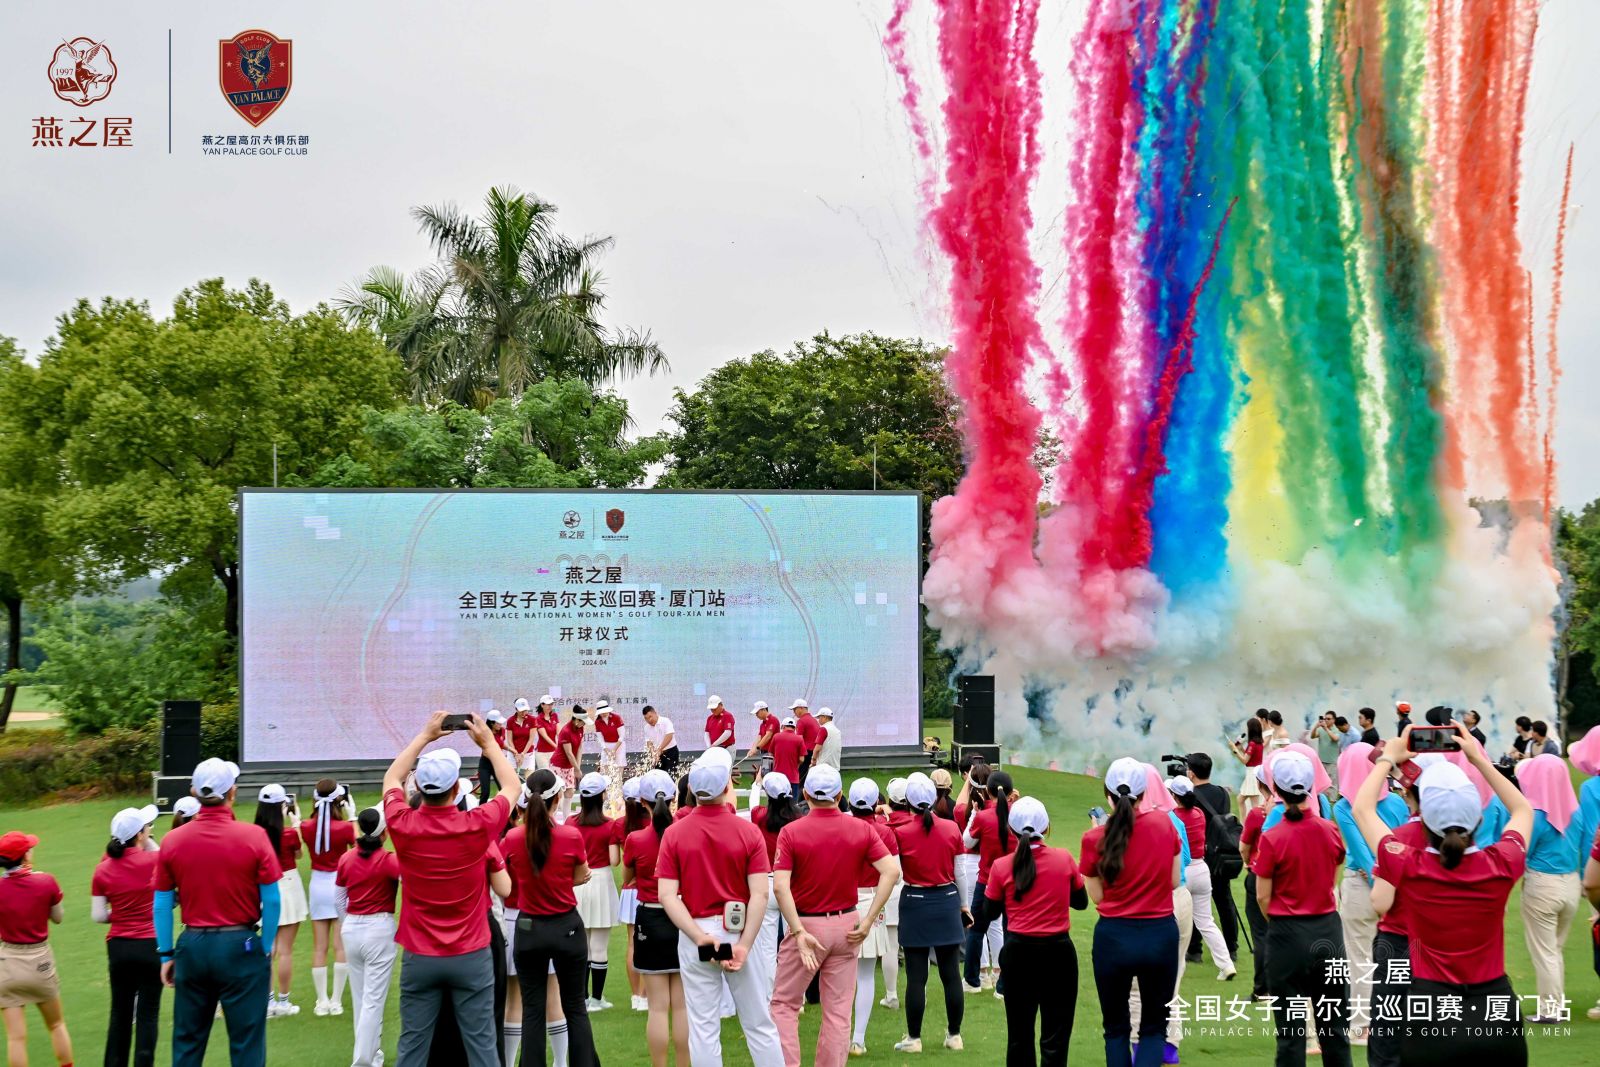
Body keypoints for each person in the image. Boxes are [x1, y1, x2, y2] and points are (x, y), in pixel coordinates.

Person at [1353, 723, 1534, 1064]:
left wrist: (1387, 759)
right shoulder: (1501, 862)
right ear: (1477, 819)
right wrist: (1478, 759)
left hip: (1431, 1013)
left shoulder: (1409, 864)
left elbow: (1362, 809)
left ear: (1424, 821)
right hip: (1495, 1011)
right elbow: (1523, 809)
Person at [383, 712, 520, 1067]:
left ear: (419, 789)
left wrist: (425, 736)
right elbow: (512, 787)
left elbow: (392, 778)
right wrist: (489, 744)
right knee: (483, 1049)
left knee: (412, 1048)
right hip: (471, 953)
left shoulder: (403, 824)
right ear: (457, 790)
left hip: (420, 954)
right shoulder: (476, 825)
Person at [154, 758, 282, 1067]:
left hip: (193, 946)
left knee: (187, 1044)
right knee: (247, 1044)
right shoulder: (254, 836)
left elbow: (161, 903)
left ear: (194, 792)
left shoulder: (172, 840)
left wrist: (166, 954)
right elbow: (273, 901)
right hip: (240, 945)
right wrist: (265, 946)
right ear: (232, 792)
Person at [656, 756, 784, 1067]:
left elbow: (667, 896)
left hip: (698, 930)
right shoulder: (747, 831)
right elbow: (759, 894)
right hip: (737, 928)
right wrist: (745, 945)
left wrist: (699, 937)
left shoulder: (675, 833)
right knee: (758, 1023)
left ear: (691, 789)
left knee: (703, 1028)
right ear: (727, 786)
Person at [771, 766, 897, 1065]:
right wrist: (868, 920)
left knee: (785, 1005)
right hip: (846, 924)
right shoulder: (860, 829)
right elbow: (891, 871)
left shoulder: (792, 831)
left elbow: (780, 886)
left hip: (808, 923)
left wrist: (798, 931)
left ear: (805, 795)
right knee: (838, 1011)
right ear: (840, 796)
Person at [1250, 751, 1351, 1067]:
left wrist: (1281, 922)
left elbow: (1263, 897)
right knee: (1335, 1030)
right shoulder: (1329, 830)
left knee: (1291, 1035)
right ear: (1310, 788)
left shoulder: (1272, 837)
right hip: (1327, 931)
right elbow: (1335, 868)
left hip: (1287, 935)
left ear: (1276, 790)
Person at [1081, 757, 1181, 1067]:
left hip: (1114, 936)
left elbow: (1097, 895)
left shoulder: (1094, 838)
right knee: (1154, 1028)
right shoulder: (1164, 824)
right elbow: (1173, 880)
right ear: (1143, 793)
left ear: (1108, 795)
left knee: (1115, 1029)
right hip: (1159, 933)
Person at [502, 769, 599, 1067]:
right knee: (575, 1007)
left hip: (529, 927)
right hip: (566, 926)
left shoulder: (513, 837)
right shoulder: (569, 835)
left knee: (533, 1010)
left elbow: (506, 879)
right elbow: (581, 875)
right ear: (557, 799)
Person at [986, 797, 1087, 1067]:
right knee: (1056, 1038)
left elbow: (990, 911)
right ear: (1046, 828)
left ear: (1011, 830)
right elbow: (1081, 902)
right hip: (1058, 954)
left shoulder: (1002, 866)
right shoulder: (1064, 859)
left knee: (1019, 1036)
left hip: (1019, 953)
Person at [1329, 741, 1409, 1041]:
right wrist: (1395, 888)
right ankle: (1394, 1019)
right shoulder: (1397, 803)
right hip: (1398, 885)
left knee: (1359, 958)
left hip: (1364, 886)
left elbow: (1362, 853)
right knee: (1394, 958)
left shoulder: (1344, 807)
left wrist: (1380, 885)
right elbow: (1404, 845)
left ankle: (1363, 1025)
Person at [888, 772, 968, 1053]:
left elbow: (896, 873)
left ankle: (914, 1038)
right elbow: (960, 873)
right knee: (950, 973)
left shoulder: (901, 832)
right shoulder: (951, 828)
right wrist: (964, 906)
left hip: (915, 901)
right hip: (946, 900)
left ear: (907, 802)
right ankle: (954, 1035)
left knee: (916, 976)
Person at [625, 770, 689, 1067]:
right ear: (673, 798)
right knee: (682, 1007)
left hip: (651, 917)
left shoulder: (636, 838)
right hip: (683, 916)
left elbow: (628, 878)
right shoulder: (685, 832)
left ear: (642, 802)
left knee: (658, 1008)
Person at [92, 806, 161, 1067]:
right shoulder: (153, 860)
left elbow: (99, 915)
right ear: (140, 834)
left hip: (119, 947)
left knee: (120, 1014)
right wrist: (147, 838)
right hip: (150, 945)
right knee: (148, 1015)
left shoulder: (102, 869)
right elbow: (161, 856)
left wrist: (121, 913)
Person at [1515, 753, 1582, 1021]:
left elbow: (1524, 851)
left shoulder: (1536, 816)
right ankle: (1556, 1005)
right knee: (1554, 949)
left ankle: (1551, 1010)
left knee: (1545, 953)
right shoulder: (1576, 811)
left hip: (1543, 885)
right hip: (1571, 884)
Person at [336, 807, 401, 1067]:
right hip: (378, 928)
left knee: (362, 998)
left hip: (352, 928)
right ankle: (364, 1060)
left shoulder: (347, 858)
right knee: (372, 1001)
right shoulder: (389, 860)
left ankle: (372, 1056)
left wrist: (348, 924)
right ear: (384, 833)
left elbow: (339, 898)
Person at [0, 830, 72, 1067]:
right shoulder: (46, 881)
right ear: (24, 856)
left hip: (7, 965)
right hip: (40, 962)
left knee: (16, 1038)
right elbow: (58, 918)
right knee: (56, 1024)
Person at [845, 778, 901, 1055]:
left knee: (843, 975)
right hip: (869, 900)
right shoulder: (884, 832)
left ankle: (849, 1037)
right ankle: (857, 1039)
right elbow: (895, 874)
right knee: (865, 975)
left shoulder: (843, 826)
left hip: (844, 900)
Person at [1165, 777, 1236, 980]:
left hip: (1182, 871)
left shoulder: (1172, 816)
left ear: (1174, 796)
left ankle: (1170, 968)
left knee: (1172, 921)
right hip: (1201, 870)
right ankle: (1226, 964)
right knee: (1206, 921)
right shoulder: (1198, 813)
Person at [300, 779, 355, 1016]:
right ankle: (336, 1000)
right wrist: (352, 818)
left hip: (317, 885)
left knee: (319, 947)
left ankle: (321, 1001)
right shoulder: (344, 828)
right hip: (339, 885)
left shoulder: (306, 826)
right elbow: (358, 848)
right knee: (339, 946)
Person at [567, 771, 620, 1013]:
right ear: (601, 797)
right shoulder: (609, 825)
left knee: (583, 946)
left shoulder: (571, 822)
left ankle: (584, 997)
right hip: (600, 881)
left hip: (578, 883)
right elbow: (614, 860)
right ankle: (596, 999)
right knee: (598, 947)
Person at [962, 769, 1019, 995]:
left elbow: (967, 841)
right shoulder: (1018, 814)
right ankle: (1003, 985)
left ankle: (972, 980)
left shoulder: (984, 816)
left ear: (988, 790)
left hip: (987, 881)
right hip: (1013, 881)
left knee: (976, 930)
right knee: (1010, 932)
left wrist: (975, 815)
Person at [253, 784, 307, 1019]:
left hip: (265, 888)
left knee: (269, 948)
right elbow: (299, 854)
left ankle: (268, 1001)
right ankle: (282, 1002)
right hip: (288, 884)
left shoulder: (255, 834)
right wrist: (295, 825)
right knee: (285, 950)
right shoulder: (288, 834)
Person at [748, 772, 800, 998]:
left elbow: (753, 803)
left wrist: (756, 783)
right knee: (796, 940)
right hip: (791, 884)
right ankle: (796, 995)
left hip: (768, 884)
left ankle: (771, 995)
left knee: (768, 947)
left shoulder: (760, 817)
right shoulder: (798, 819)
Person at [1183, 752, 1239, 962]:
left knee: (1194, 903)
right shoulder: (1222, 793)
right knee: (1224, 901)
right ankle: (1231, 948)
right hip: (1221, 853)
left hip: (1199, 854)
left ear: (1191, 773)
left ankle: (1194, 950)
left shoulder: (1190, 795)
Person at [1227, 719, 1266, 815]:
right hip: (1254, 773)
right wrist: (1240, 749)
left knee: (1255, 805)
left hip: (1252, 774)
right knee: (1240, 799)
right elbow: (1250, 757)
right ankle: (1243, 822)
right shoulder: (1259, 743)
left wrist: (1235, 749)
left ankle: (1257, 823)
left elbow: (1245, 760)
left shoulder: (1252, 744)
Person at [550, 707, 588, 793]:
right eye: (583, 722)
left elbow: (579, 748)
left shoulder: (580, 728)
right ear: (577, 720)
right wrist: (577, 769)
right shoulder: (566, 731)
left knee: (570, 791)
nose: (584, 724)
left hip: (570, 765)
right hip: (558, 765)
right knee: (559, 792)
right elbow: (569, 753)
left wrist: (577, 767)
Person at [768, 717, 807, 800]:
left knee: (777, 803)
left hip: (778, 777)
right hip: (793, 777)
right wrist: (797, 765)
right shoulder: (799, 739)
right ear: (794, 728)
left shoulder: (776, 737)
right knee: (793, 804)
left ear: (783, 726)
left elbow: (770, 754)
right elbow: (802, 759)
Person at [481, 711, 510, 802]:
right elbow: (485, 752)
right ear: (491, 723)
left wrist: (512, 750)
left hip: (497, 764)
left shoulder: (502, 730)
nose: (501, 724)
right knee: (485, 792)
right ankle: (481, 809)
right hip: (485, 764)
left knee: (503, 789)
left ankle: (510, 810)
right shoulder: (485, 733)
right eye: (498, 722)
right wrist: (499, 757)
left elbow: (501, 744)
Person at [792, 700, 822, 785]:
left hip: (805, 752)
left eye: (795, 709)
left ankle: (799, 792)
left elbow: (798, 740)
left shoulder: (801, 721)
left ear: (801, 708)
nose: (794, 712)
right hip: (814, 752)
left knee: (800, 778)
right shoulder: (814, 720)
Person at [1309, 712, 1340, 795]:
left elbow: (1335, 738)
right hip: (1321, 760)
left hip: (1332, 761)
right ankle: (1322, 798)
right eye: (1325, 718)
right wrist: (1316, 726)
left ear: (1334, 720)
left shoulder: (1336, 729)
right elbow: (1312, 736)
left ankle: (1333, 800)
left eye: (1328, 719)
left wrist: (1326, 729)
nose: (1326, 720)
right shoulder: (1320, 729)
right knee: (1322, 781)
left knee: (1332, 783)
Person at [641, 706, 679, 773]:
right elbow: (649, 741)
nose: (649, 720)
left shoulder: (665, 721)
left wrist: (659, 749)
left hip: (670, 752)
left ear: (655, 713)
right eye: (646, 718)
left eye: (650, 717)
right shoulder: (646, 728)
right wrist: (653, 753)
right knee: (657, 775)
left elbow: (669, 735)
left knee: (670, 775)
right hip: (657, 755)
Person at [594, 703, 627, 775]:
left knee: (619, 766)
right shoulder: (597, 722)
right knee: (604, 768)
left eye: (605, 711)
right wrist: (606, 750)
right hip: (606, 746)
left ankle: (618, 781)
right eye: (601, 712)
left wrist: (614, 750)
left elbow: (621, 736)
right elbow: (600, 739)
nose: (603, 714)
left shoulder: (616, 717)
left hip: (619, 745)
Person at [508, 698, 539, 774]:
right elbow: (509, 740)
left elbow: (531, 739)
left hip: (528, 753)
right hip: (513, 754)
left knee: (530, 777)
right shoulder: (510, 720)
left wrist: (522, 754)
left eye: (525, 710)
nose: (524, 713)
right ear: (516, 709)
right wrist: (515, 754)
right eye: (521, 710)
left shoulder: (532, 720)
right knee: (512, 777)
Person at [746, 701, 779, 771]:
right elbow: (759, 737)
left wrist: (757, 748)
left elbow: (768, 736)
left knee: (767, 772)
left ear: (763, 710)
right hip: (765, 752)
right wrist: (752, 749)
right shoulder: (762, 724)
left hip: (772, 752)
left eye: (757, 713)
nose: (756, 715)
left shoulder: (773, 720)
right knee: (765, 772)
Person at [534, 696, 562, 773]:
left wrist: (561, 745)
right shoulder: (538, 719)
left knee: (556, 774)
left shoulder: (554, 715)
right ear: (542, 705)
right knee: (546, 775)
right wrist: (557, 747)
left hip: (554, 751)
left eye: (551, 704)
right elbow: (545, 737)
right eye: (548, 704)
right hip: (542, 753)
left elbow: (559, 733)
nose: (550, 706)